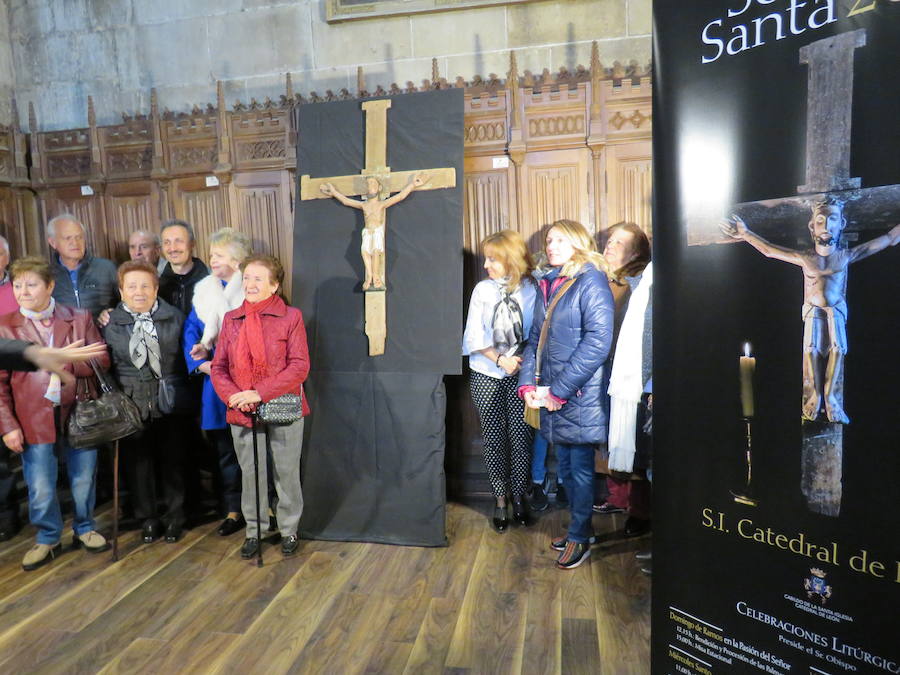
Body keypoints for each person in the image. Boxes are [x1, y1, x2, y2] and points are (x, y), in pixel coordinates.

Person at [722, 200, 900, 423]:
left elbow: (887, 240)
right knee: (810, 349)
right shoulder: (807, 258)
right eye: (820, 220)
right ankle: (815, 396)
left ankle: (830, 397)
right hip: (813, 309)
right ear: (811, 227)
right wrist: (746, 234)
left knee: (838, 347)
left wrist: (896, 232)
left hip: (835, 309)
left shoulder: (844, 257)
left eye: (832, 219)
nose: (826, 225)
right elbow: (769, 250)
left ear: (841, 223)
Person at [0, 257, 111, 570]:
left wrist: (64, 364)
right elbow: (0, 386)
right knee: (41, 484)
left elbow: (100, 360)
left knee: (83, 478)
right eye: (17, 285)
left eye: (31, 284)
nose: (23, 291)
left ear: (49, 286)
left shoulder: (77, 317)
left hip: (78, 412)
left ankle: (85, 528)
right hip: (31, 417)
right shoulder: (6, 326)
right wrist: (8, 426)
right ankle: (47, 537)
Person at [518, 219, 614, 570]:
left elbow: (598, 343)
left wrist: (558, 390)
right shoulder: (551, 282)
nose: (551, 246)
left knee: (580, 470)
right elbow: (535, 342)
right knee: (570, 468)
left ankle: (579, 537)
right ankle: (579, 530)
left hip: (578, 393)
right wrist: (528, 385)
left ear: (578, 242)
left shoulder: (591, 280)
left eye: (560, 240)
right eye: (549, 240)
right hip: (555, 394)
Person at [211, 255, 310, 559]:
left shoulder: (291, 317)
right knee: (251, 473)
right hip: (242, 409)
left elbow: (299, 366)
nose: (250, 284)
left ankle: (289, 529)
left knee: (286, 472)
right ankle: (255, 531)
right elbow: (219, 368)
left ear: (274, 285)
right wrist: (234, 397)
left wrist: (259, 393)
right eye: (247, 278)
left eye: (258, 278)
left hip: (282, 406)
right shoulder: (231, 319)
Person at [103, 261, 191, 544]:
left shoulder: (175, 317)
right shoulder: (110, 323)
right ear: (121, 291)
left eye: (145, 286)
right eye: (131, 286)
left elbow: (185, 357)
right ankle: (148, 519)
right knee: (138, 464)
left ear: (155, 289)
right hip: (130, 402)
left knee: (173, 462)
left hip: (169, 399)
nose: (138, 292)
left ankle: (175, 516)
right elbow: (106, 366)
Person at [463, 230, 537, 532]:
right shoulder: (482, 290)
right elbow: (473, 336)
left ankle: (520, 495)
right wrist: (499, 359)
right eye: (485, 258)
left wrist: (517, 361)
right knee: (493, 440)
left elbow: (539, 331)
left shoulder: (532, 288)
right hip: (486, 372)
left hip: (521, 373)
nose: (486, 265)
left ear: (510, 258)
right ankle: (500, 498)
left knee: (522, 439)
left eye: (492, 259)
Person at [183, 228, 252, 536]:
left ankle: (262, 507)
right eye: (211, 254)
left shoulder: (252, 290)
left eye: (219, 255)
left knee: (255, 448)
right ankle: (233, 509)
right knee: (225, 451)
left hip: (249, 383)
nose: (212, 259)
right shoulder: (203, 294)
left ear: (237, 261)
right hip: (216, 385)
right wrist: (202, 365)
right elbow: (191, 336)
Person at [593, 222, 652, 538]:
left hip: (634, 376)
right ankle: (618, 499)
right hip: (604, 372)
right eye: (608, 240)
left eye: (618, 242)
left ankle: (641, 511)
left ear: (637, 251)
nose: (609, 246)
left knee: (635, 441)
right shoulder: (602, 279)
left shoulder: (641, 281)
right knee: (611, 437)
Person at [320, 173, 425, 290]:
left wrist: (412, 185)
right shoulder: (364, 205)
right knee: (365, 251)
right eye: (368, 184)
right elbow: (346, 201)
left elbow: (399, 197)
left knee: (375, 251)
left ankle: (375, 276)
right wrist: (334, 192)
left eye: (373, 183)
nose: (370, 186)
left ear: (379, 188)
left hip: (377, 231)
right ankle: (369, 276)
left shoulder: (381, 204)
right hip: (367, 231)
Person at [47, 214, 119, 319]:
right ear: (53, 243)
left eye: (79, 237)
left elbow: (128, 303)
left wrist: (114, 313)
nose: (75, 243)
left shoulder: (107, 268)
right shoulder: (46, 275)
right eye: (68, 238)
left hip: (101, 333)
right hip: (65, 334)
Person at [158, 220, 209, 316]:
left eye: (179, 241)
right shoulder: (156, 287)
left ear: (192, 244)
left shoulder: (211, 281)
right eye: (167, 242)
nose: (173, 248)